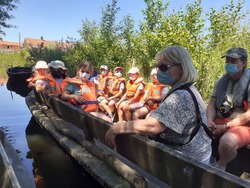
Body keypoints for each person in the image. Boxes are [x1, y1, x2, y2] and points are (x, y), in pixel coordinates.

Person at [105, 46, 211, 163]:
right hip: (193, 152)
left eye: (163, 67)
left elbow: (153, 126)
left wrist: (116, 127)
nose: (158, 71)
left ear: (181, 68)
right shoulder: (188, 88)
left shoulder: (180, 95)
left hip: (188, 160)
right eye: (157, 66)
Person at [206, 47, 250, 170]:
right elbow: (211, 104)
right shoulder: (221, 81)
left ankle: (220, 167)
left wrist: (226, 127)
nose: (229, 63)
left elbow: (249, 114)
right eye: (227, 60)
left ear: (244, 63)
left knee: (227, 143)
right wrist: (209, 120)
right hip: (221, 118)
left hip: (243, 124)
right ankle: (208, 159)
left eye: (234, 61)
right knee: (198, 128)